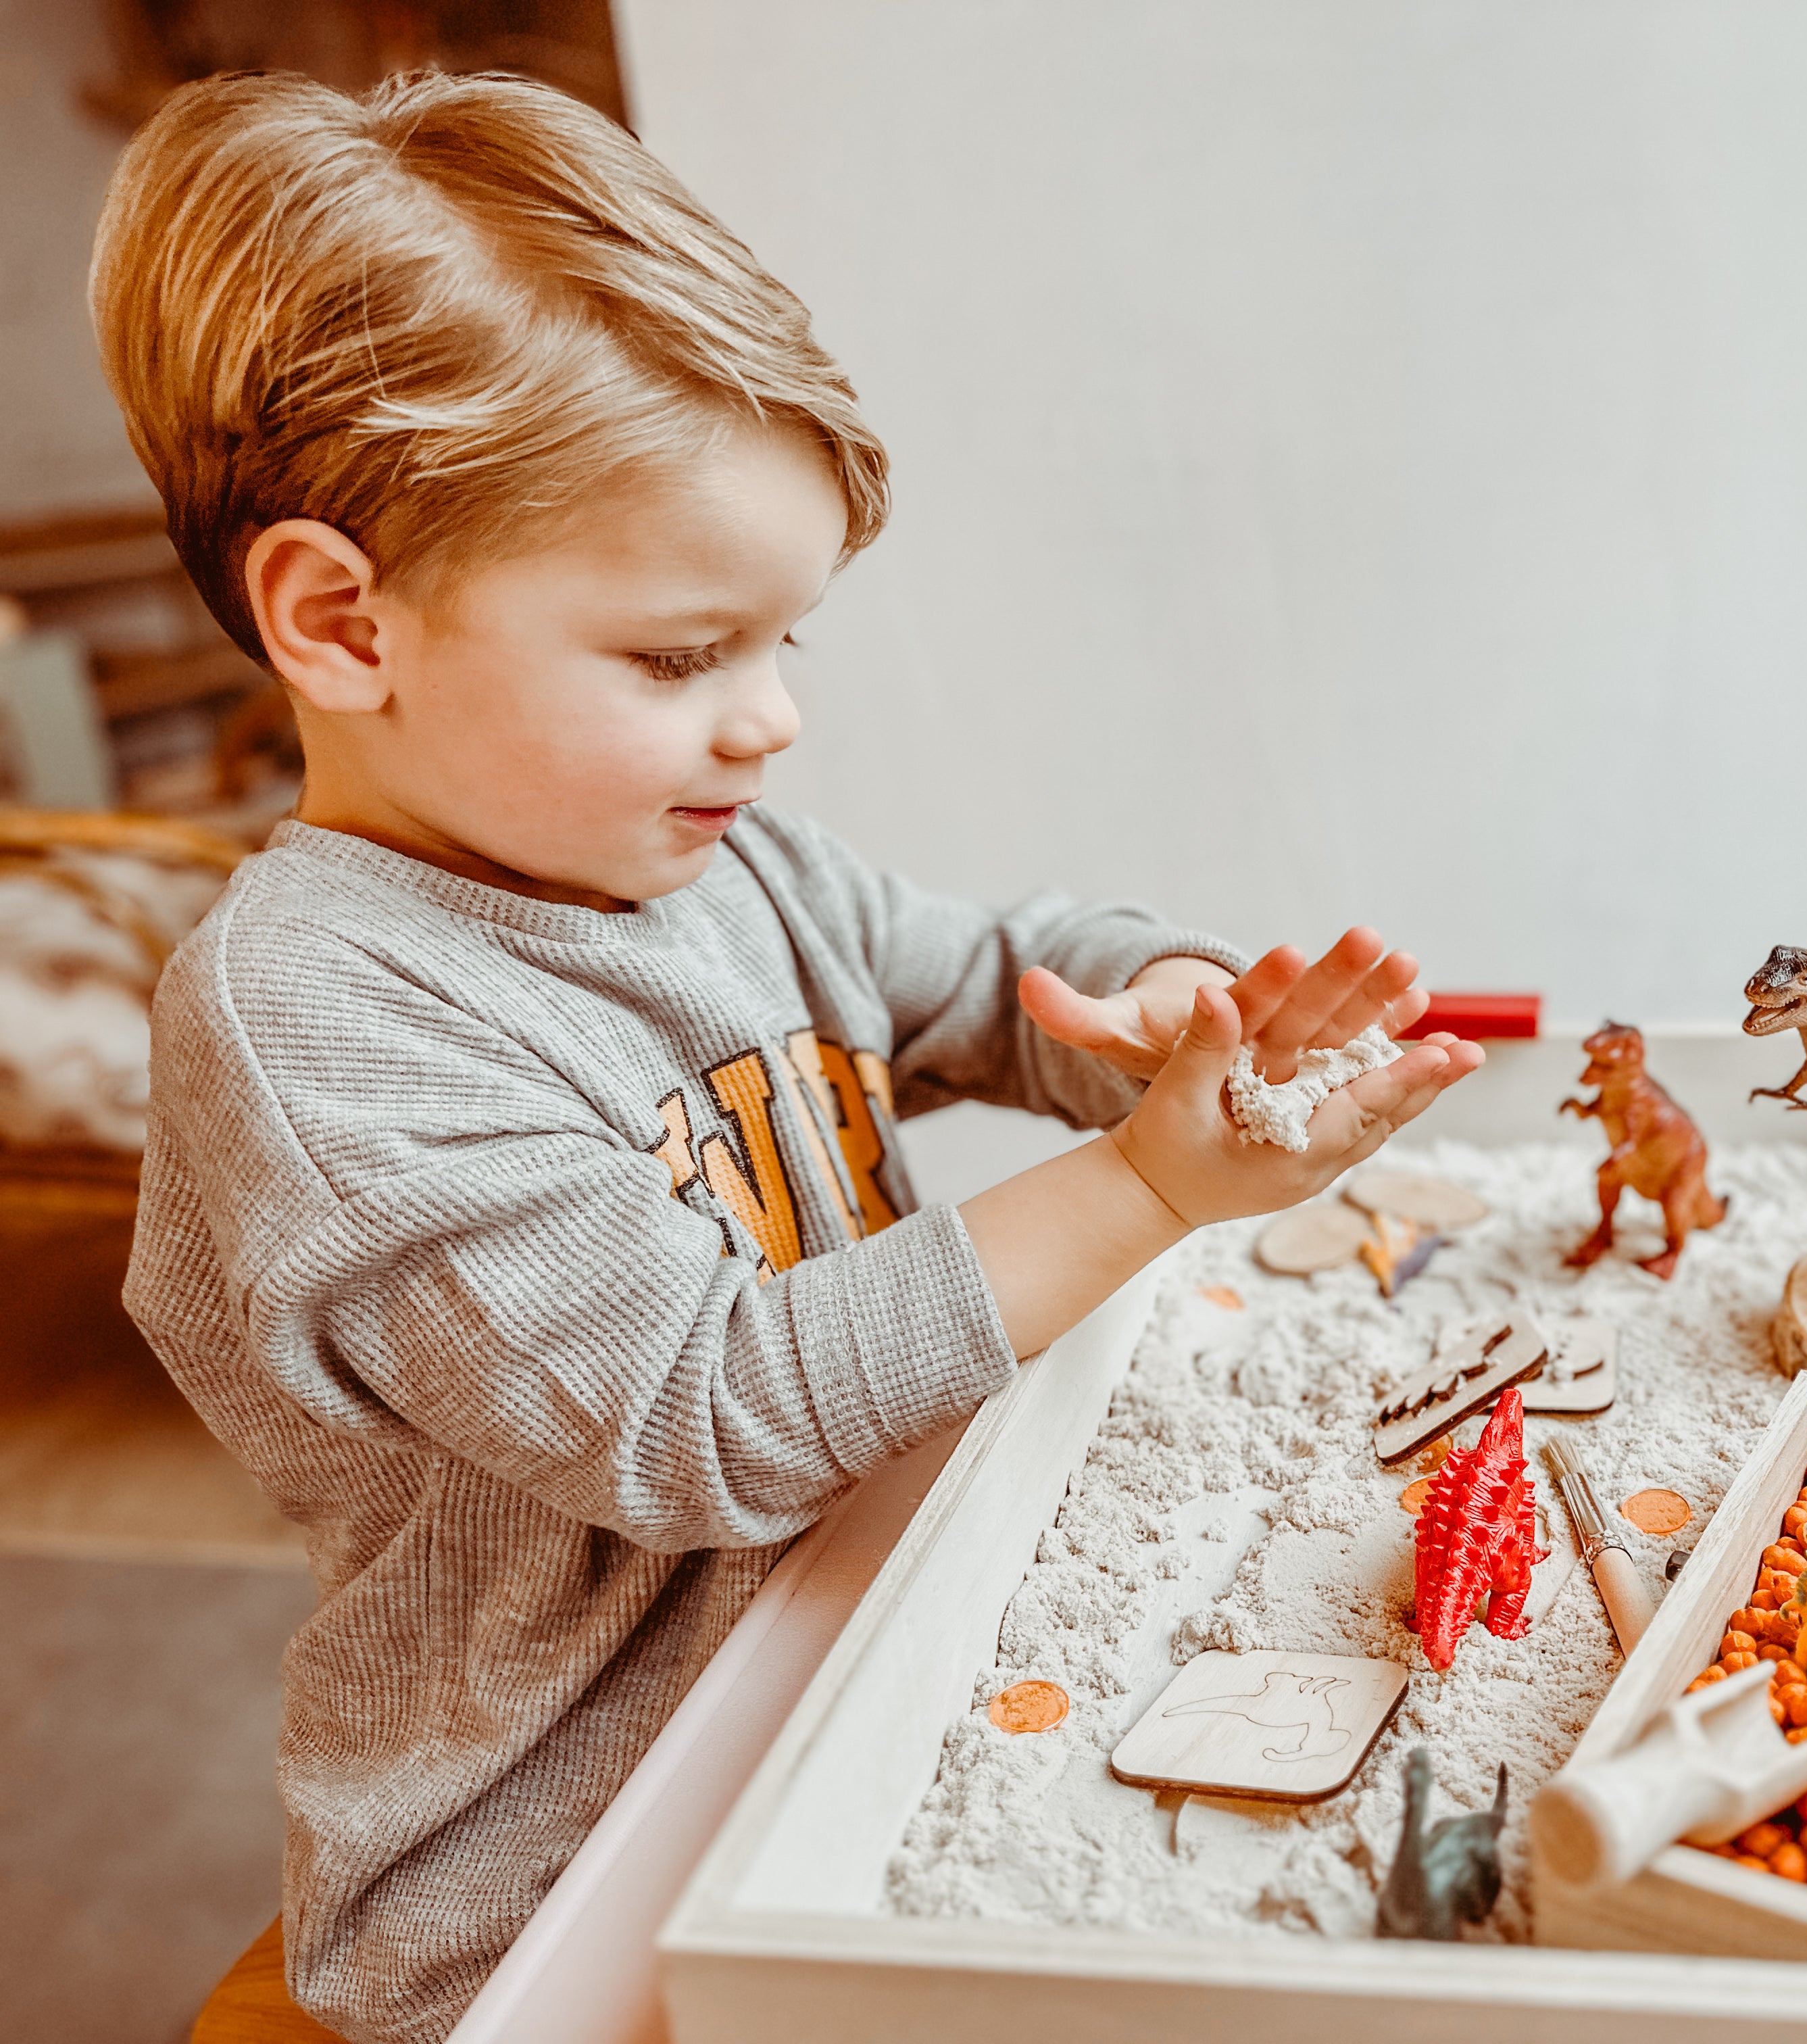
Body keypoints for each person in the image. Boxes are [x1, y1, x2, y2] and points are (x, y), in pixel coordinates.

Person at [92, 68, 1483, 2044]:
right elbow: (696, 1419)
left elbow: (988, 977)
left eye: (786, 646)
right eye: (679, 658)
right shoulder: (320, 1023)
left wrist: (1156, 1007)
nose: (768, 728)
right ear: (341, 622)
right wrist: (1152, 1185)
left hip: (856, 1666)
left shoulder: (710, 859)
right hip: (555, 1866)